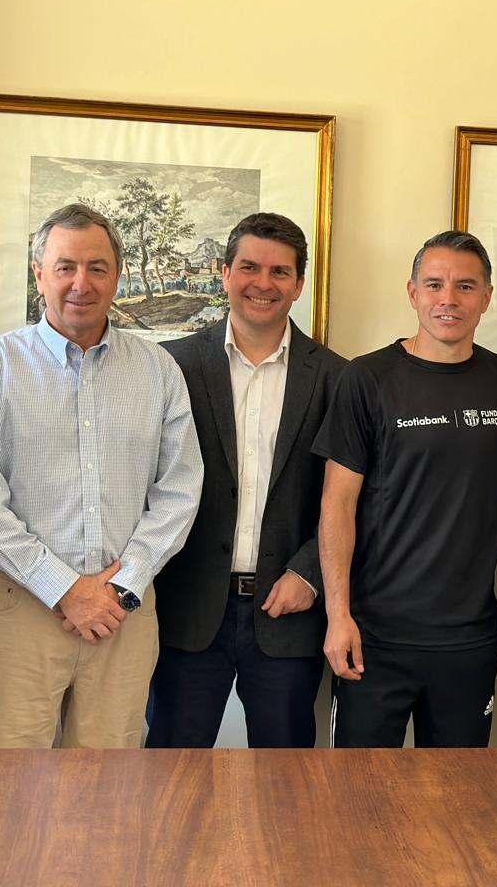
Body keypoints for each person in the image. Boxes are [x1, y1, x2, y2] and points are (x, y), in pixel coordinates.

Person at [0, 202, 202, 749]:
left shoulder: (158, 371)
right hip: (18, 609)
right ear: (39, 274)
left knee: (109, 788)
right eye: (65, 266)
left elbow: (180, 491)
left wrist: (123, 585)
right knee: (6, 784)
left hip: (122, 613)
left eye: (97, 267)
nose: (80, 283)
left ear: (118, 276)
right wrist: (64, 589)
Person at [146, 213, 345, 748]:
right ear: (225, 274)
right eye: (250, 267)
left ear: (298, 284)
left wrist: (310, 574)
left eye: (280, 272)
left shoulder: (337, 378)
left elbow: (354, 499)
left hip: (289, 611)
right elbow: (144, 485)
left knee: (285, 780)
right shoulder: (171, 366)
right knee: (171, 776)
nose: (264, 283)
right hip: (187, 609)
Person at [314, 230, 497, 747]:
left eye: (465, 286)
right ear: (412, 293)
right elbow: (337, 504)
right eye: (434, 284)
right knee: (358, 789)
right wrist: (338, 616)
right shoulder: (367, 378)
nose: (449, 299)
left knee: (457, 792)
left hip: (468, 639)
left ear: (487, 297)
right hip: (375, 637)